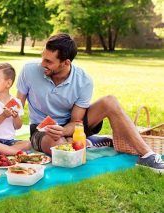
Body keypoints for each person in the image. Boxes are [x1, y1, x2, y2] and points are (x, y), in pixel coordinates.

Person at [16, 33, 164, 173]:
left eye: (48, 61)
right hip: (41, 130)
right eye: (43, 57)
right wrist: (12, 114)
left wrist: (64, 131)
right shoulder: (29, 71)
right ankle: (89, 142)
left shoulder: (83, 80)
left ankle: (147, 156)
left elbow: (76, 121)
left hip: (72, 126)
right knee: (63, 151)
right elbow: (18, 110)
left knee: (110, 101)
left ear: (66, 62)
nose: (42, 64)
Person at [0, 63, 31, 156]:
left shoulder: (16, 102)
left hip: (9, 141)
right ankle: (16, 152)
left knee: (28, 144)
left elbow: (18, 126)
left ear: (8, 83)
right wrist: (3, 115)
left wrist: (16, 117)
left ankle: (4, 151)